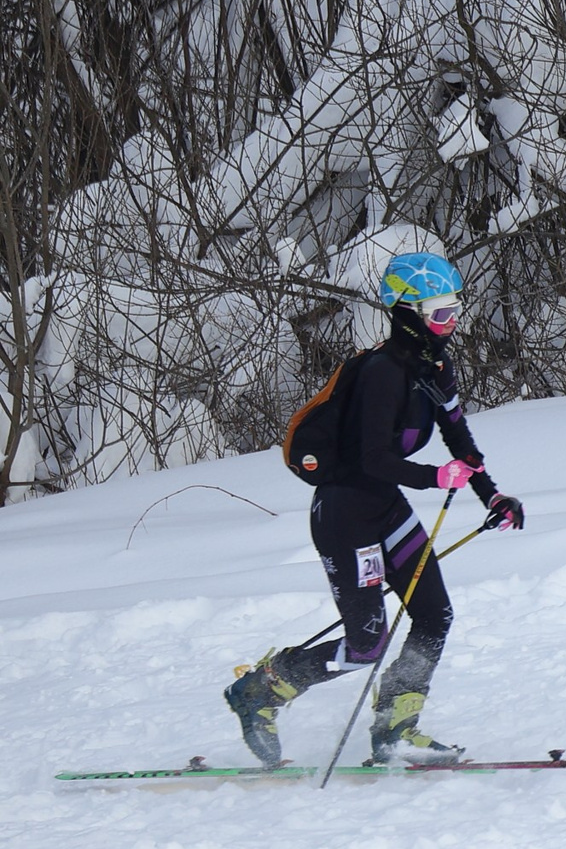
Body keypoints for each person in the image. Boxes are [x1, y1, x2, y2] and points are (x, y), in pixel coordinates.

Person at [224, 252, 526, 766]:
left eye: (454, 310)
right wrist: (434, 478)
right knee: (366, 644)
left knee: (435, 616)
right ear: (408, 312)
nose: (449, 323)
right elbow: (372, 459)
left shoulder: (434, 367)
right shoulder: (382, 373)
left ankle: (395, 728)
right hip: (345, 517)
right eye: (438, 313)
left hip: (387, 508)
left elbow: (459, 438)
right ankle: (262, 692)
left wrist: (490, 494)